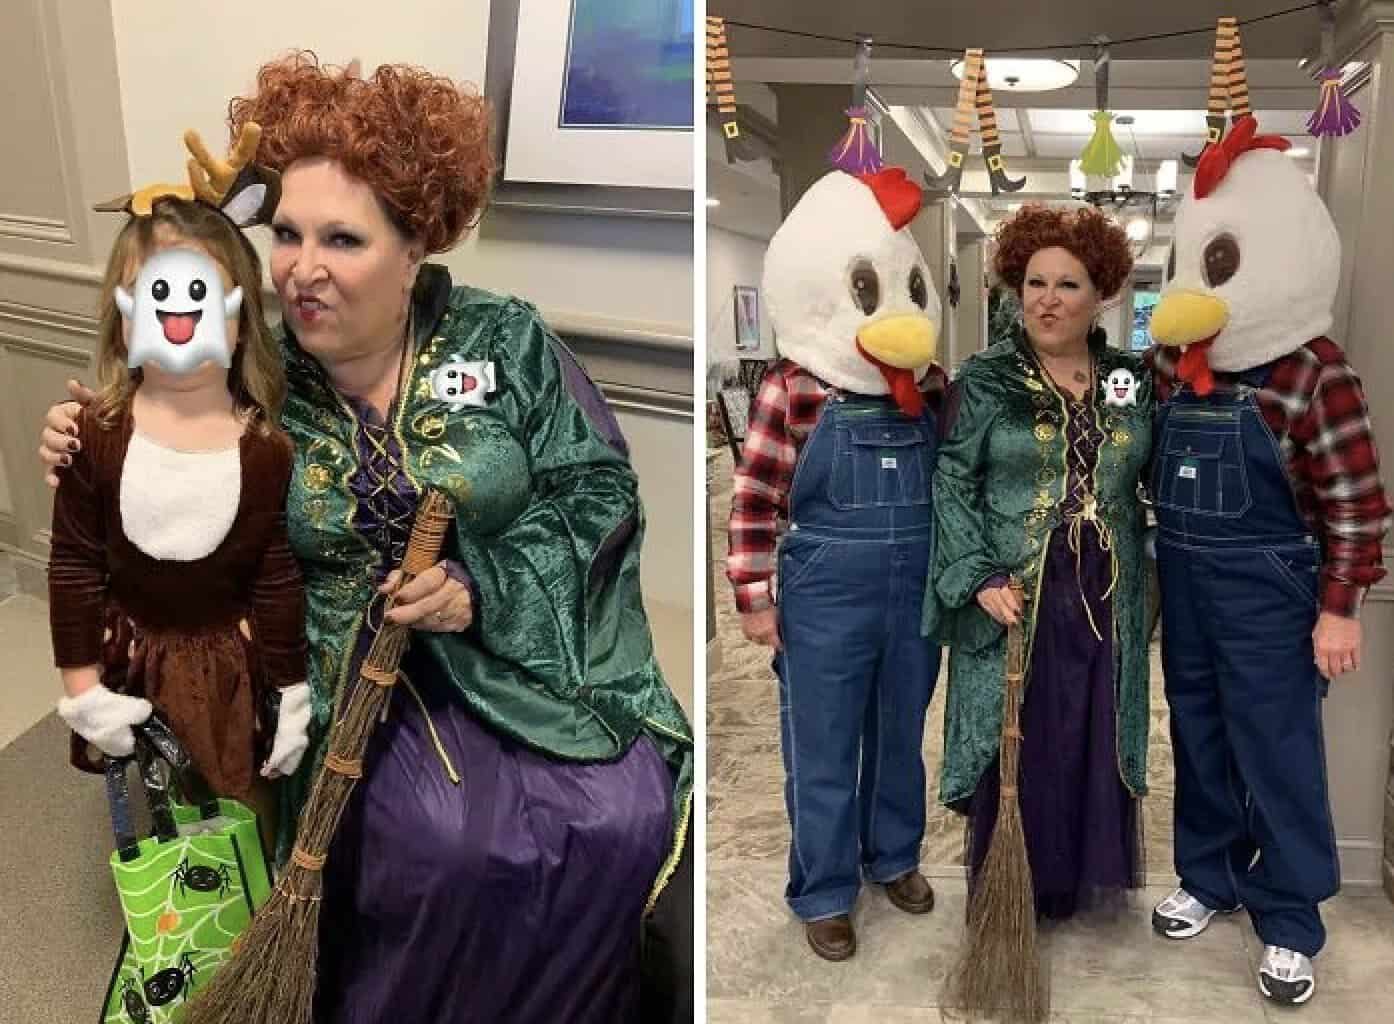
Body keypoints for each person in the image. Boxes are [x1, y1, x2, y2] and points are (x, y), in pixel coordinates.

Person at [41, 53, 692, 1023]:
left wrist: (482, 588)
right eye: (288, 234)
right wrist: (89, 450)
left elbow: (591, 488)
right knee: (446, 845)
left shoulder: (501, 343)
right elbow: (154, 462)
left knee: (623, 805)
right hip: (334, 677)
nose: (300, 269)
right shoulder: (249, 363)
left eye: (342, 239)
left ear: (414, 245)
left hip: (523, 647)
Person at [1146, 117, 1389, 1006]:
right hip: (1186, 582)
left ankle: (1289, 916)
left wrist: (1339, 607)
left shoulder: (1315, 373)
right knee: (1199, 735)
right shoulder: (1172, 367)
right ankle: (1209, 876)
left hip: (1273, 592)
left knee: (1277, 751)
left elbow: (1356, 505)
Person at [48, 133, 308, 840]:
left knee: (243, 802)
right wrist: (82, 688)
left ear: (237, 316)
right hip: (135, 653)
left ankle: (246, 924)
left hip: (231, 664)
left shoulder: (264, 450)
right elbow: (73, 564)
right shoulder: (96, 435)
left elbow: (274, 572)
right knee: (165, 797)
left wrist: (288, 687)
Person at [728, 166, 945, 961]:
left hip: (913, 591)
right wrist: (755, 596)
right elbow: (754, 497)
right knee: (821, 745)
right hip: (823, 593)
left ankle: (894, 856)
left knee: (900, 733)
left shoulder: (932, 391)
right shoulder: (794, 390)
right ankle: (823, 887)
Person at [923, 205, 1153, 920]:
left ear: (1102, 294)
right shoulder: (986, 379)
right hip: (1019, 584)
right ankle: (1016, 881)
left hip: (1107, 587)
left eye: (1068, 284)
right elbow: (952, 481)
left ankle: (1077, 874)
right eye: (1034, 282)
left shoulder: (1129, 378)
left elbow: (1150, 468)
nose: (1047, 299)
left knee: (1093, 727)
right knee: (1024, 732)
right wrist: (978, 575)